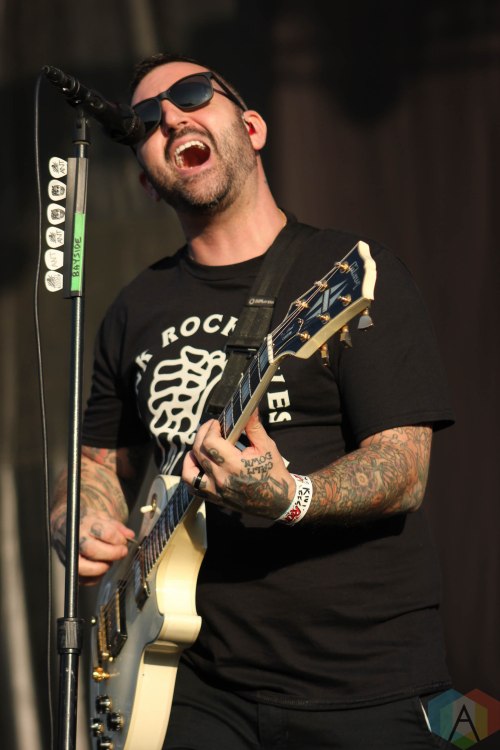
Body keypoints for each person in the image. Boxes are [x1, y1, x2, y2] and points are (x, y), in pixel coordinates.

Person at [50, 52, 455, 749]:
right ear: (147, 181)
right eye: (145, 119)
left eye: (192, 94)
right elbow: (97, 463)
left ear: (253, 127)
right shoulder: (133, 309)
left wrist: (291, 496)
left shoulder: (347, 273)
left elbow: (404, 466)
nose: (170, 116)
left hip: (366, 678)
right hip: (193, 681)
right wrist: (76, 515)